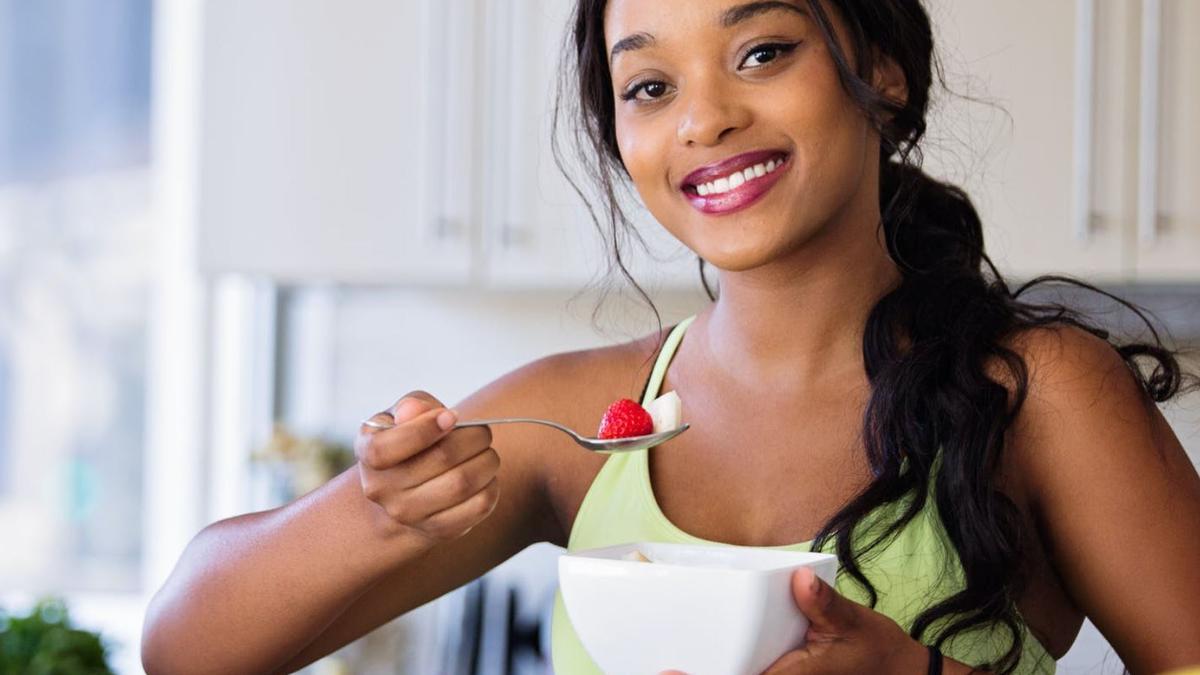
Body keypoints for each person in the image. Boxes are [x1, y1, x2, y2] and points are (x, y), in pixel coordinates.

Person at [141, 1, 1200, 673]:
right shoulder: (580, 420)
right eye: (649, 85)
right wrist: (379, 515)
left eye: (762, 51)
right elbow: (187, 647)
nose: (703, 119)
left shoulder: (1040, 394)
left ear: (880, 68)